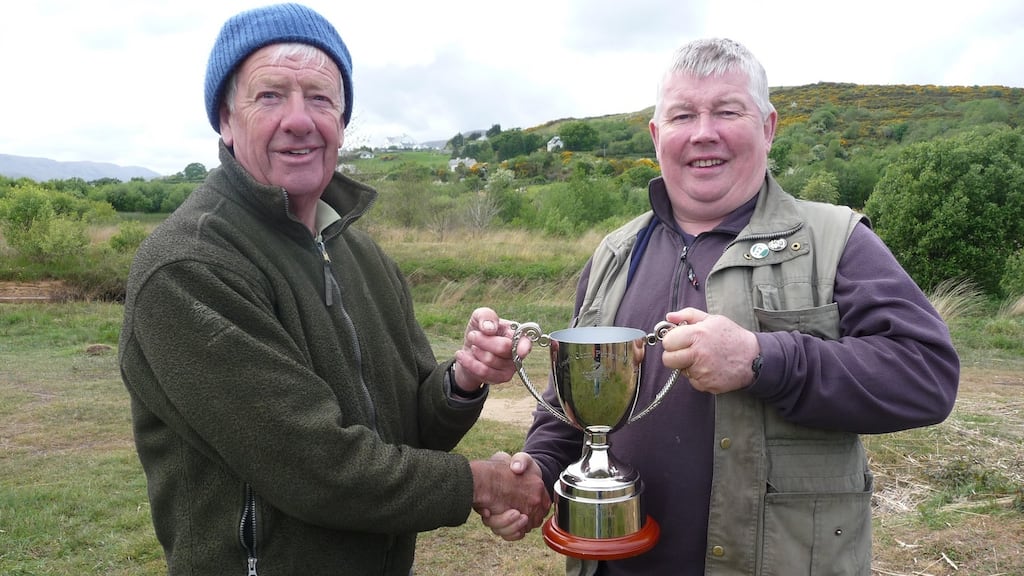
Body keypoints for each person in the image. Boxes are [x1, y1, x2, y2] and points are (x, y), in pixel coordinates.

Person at [482, 38, 960, 575]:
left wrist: (761, 359)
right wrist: (539, 472)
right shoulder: (614, 253)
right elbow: (574, 406)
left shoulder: (835, 239)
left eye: (728, 111)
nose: (703, 132)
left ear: (768, 126)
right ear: (657, 136)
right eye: (683, 114)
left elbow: (928, 376)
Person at [117, 4, 549, 574]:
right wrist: (480, 484)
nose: (299, 120)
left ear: (341, 121)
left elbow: (410, 431)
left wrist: (462, 379)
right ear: (225, 117)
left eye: (320, 98)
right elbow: (314, 467)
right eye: (269, 95)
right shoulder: (189, 266)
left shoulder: (363, 256)